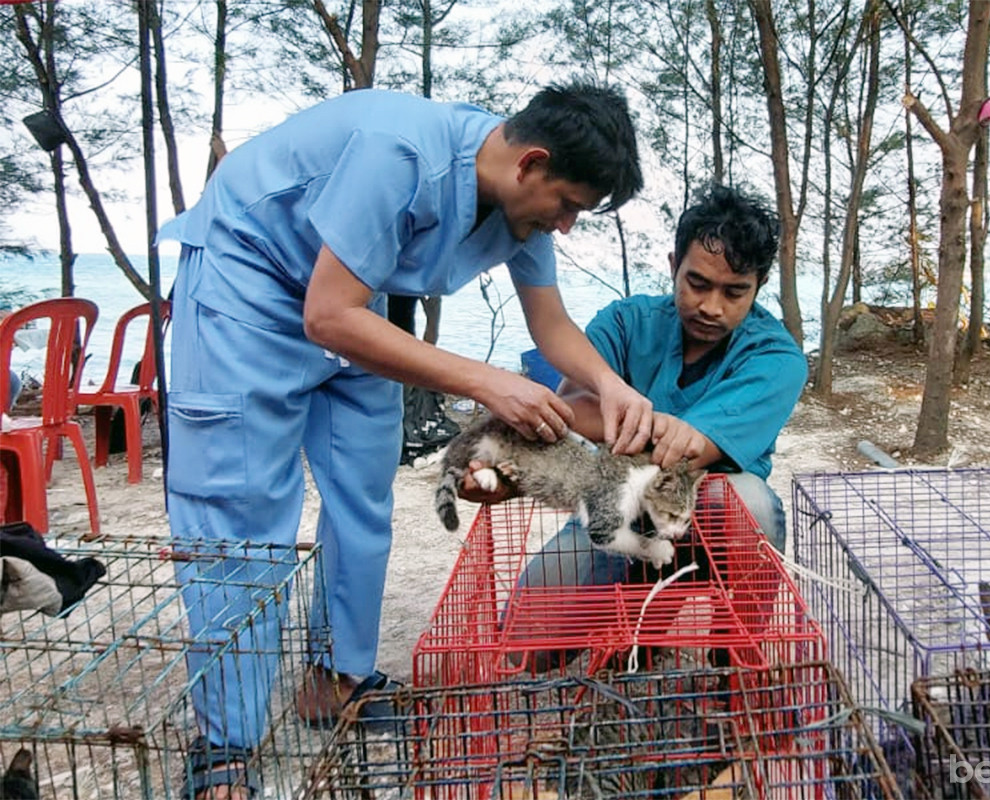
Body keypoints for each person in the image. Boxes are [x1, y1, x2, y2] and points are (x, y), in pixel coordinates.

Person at [159, 82, 652, 800]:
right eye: (569, 205)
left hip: (360, 301)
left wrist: (610, 385)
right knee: (243, 509)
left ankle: (336, 678)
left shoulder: (520, 210)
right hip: (252, 282)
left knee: (363, 492)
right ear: (531, 163)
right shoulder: (400, 154)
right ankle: (225, 743)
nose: (568, 225)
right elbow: (327, 316)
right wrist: (488, 382)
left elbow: (549, 323)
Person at [463, 184, 808, 671]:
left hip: (704, 524)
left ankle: (735, 652)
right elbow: (569, 407)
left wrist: (610, 420)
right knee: (523, 645)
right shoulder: (626, 322)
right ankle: (641, 618)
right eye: (697, 283)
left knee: (749, 501)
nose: (712, 307)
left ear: (759, 284)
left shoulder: (777, 357)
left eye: (734, 292)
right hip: (618, 507)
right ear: (673, 265)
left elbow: (682, 454)